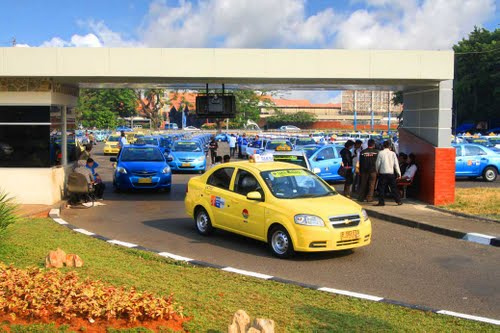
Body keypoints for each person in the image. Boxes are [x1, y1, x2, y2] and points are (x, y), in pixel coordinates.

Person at [375, 140, 402, 206]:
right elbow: (396, 164)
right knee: (394, 188)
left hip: (383, 173)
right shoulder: (393, 153)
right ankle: (398, 201)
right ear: (389, 146)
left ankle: (381, 202)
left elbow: (377, 163)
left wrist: (377, 171)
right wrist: (399, 173)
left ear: (383, 146)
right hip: (391, 173)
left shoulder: (380, 153)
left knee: (382, 188)